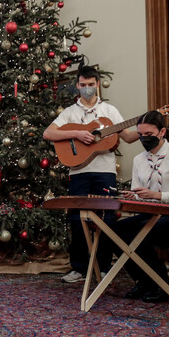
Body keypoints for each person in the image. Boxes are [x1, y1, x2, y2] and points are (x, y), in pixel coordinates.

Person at [43, 66, 139, 283]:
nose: (87, 89)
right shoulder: (70, 112)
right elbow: (48, 133)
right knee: (77, 220)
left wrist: (148, 126)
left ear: (97, 85)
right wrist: (77, 133)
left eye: (91, 84)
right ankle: (78, 268)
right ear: (78, 85)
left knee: (107, 220)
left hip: (105, 172)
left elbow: (129, 137)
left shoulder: (110, 111)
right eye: (83, 85)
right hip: (79, 172)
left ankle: (103, 267)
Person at [116, 110, 169, 302]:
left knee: (140, 233)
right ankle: (143, 280)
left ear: (162, 132)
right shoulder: (139, 160)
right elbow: (140, 197)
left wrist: (159, 195)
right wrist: (134, 197)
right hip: (150, 214)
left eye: (149, 135)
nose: (144, 139)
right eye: (140, 135)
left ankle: (160, 283)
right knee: (115, 231)